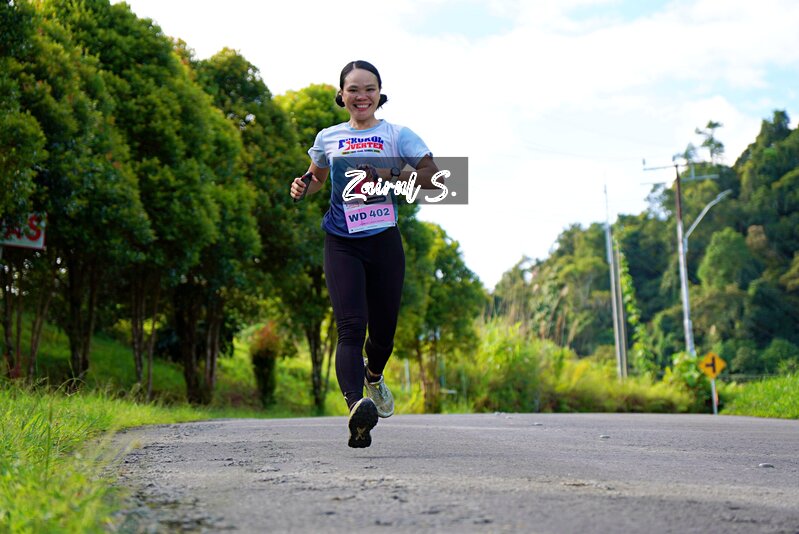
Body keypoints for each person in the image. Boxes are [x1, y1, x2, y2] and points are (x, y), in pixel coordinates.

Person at [290, 60, 441, 448]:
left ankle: (373, 376)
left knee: (384, 334)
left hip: (383, 240)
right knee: (351, 327)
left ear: (379, 94)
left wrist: (392, 174)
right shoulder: (328, 137)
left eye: (369, 89)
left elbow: (436, 178)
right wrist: (302, 186)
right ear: (341, 95)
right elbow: (316, 177)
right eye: (353, 89)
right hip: (341, 241)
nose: (361, 96)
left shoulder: (397, 135)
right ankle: (357, 407)